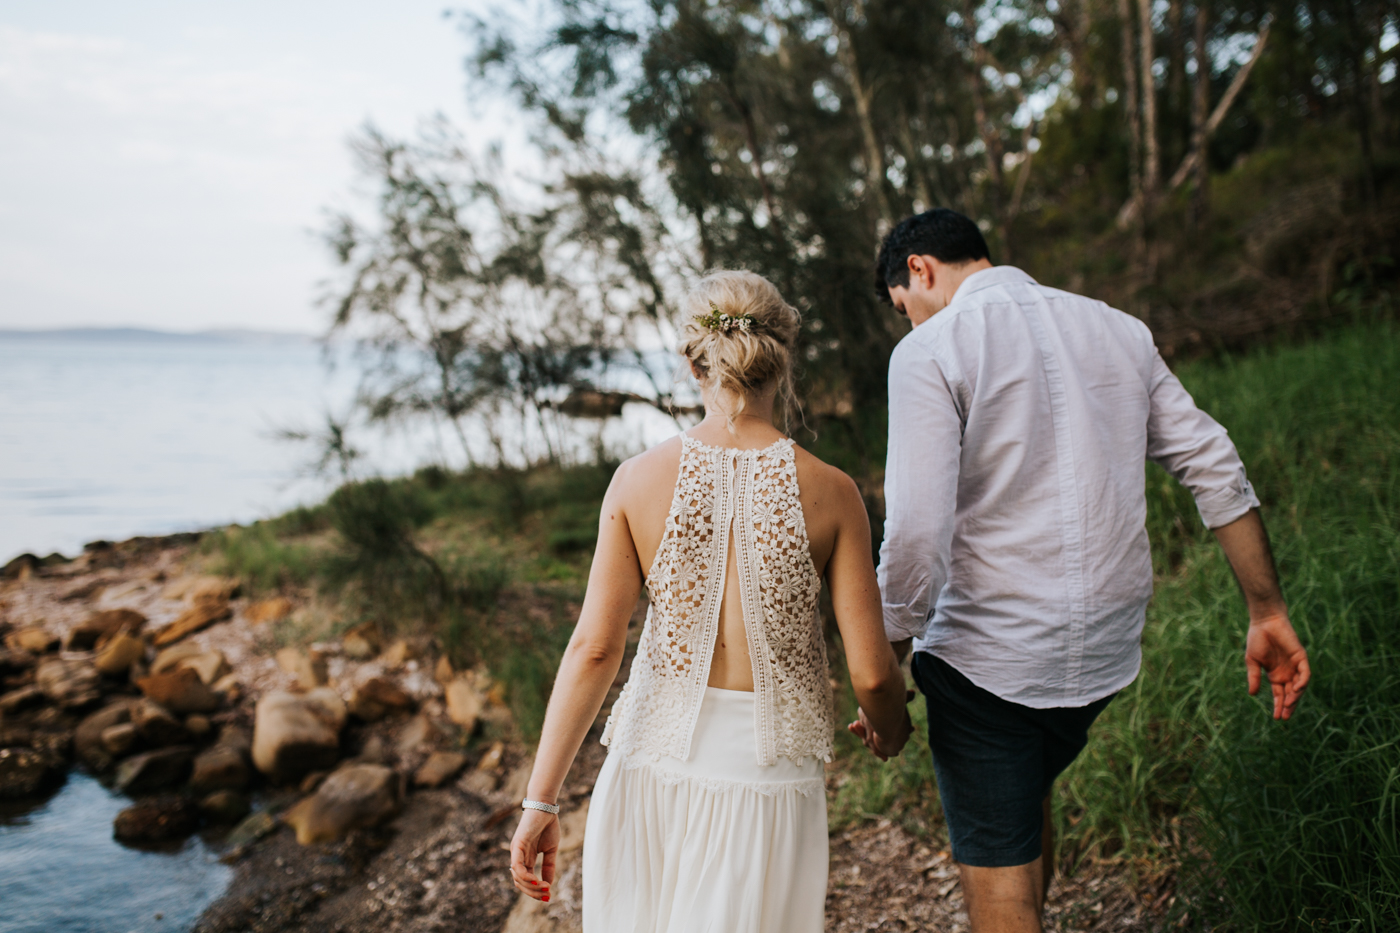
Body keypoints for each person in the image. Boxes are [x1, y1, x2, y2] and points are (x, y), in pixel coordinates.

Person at [850, 209, 1312, 933]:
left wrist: (889, 651)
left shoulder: (931, 350)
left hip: (988, 658)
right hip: (1102, 654)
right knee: (1021, 800)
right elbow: (1214, 463)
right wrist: (1267, 610)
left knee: (999, 856)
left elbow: (915, 533)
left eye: (902, 310)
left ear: (917, 270)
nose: (908, 324)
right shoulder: (1118, 329)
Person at [509, 269, 913, 932]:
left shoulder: (635, 480)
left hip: (647, 771)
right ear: (782, 358)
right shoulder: (834, 491)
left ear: (689, 360)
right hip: (768, 781)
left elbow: (595, 648)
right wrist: (891, 725)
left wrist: (541, 800)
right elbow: (871, 671)